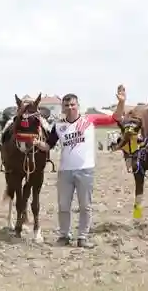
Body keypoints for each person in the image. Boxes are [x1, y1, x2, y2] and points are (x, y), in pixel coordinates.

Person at [40, 87, 126, 249]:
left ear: (77, 105)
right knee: (64, 206)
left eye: (72, 105)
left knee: (85, 206)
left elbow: (115, 118)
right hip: (65, 171)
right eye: (66, 105)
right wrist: (37, 144)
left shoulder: (90, 120)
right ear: (63, 108)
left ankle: (83, 237)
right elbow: (48, 146)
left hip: (85, 170)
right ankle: (64, 236)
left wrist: (121, 102)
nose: (70, 108)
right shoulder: (59, 126)